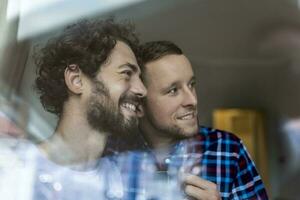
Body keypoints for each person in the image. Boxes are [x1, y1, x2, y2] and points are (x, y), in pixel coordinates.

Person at [0, 18, 147, 200]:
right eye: (126, 73)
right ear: (76, 81)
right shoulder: (18, 175)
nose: (142, 89)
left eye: (139, 78)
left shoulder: (124, 183)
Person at [135, 40, 269, 199]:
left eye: (191, 84)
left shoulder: (228, 150)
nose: (192, 100)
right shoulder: (110, 158)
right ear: (139, 104)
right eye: (173, 90)